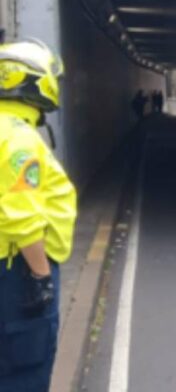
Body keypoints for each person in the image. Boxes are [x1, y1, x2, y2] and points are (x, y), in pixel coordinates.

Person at [0, 40, 77, 390]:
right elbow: (18, 213)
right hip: (18, 272)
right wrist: (42, 276)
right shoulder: (17, 138)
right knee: (26, 367)